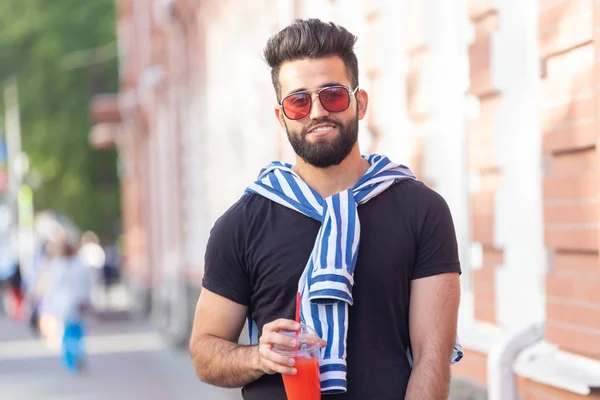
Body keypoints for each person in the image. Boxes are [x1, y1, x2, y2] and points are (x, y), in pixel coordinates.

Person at [189, 18, 462, 400]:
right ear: (281, 117)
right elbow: (205, 353)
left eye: (331, 95)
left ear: (359, 103)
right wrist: (259, 357)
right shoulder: (243, 224)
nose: (316, 111)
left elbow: (431, 357)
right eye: (298, 101)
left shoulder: (421, 210)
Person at [43, 234, 93, 372]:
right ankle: (77, 353)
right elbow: (88, 284)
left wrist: (50, 304)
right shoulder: (80, 265)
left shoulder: (58, 266)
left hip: (64, 304)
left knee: (67, 331)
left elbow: (53, 287)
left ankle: (70, 359)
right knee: (77, 331)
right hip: (78, 302)